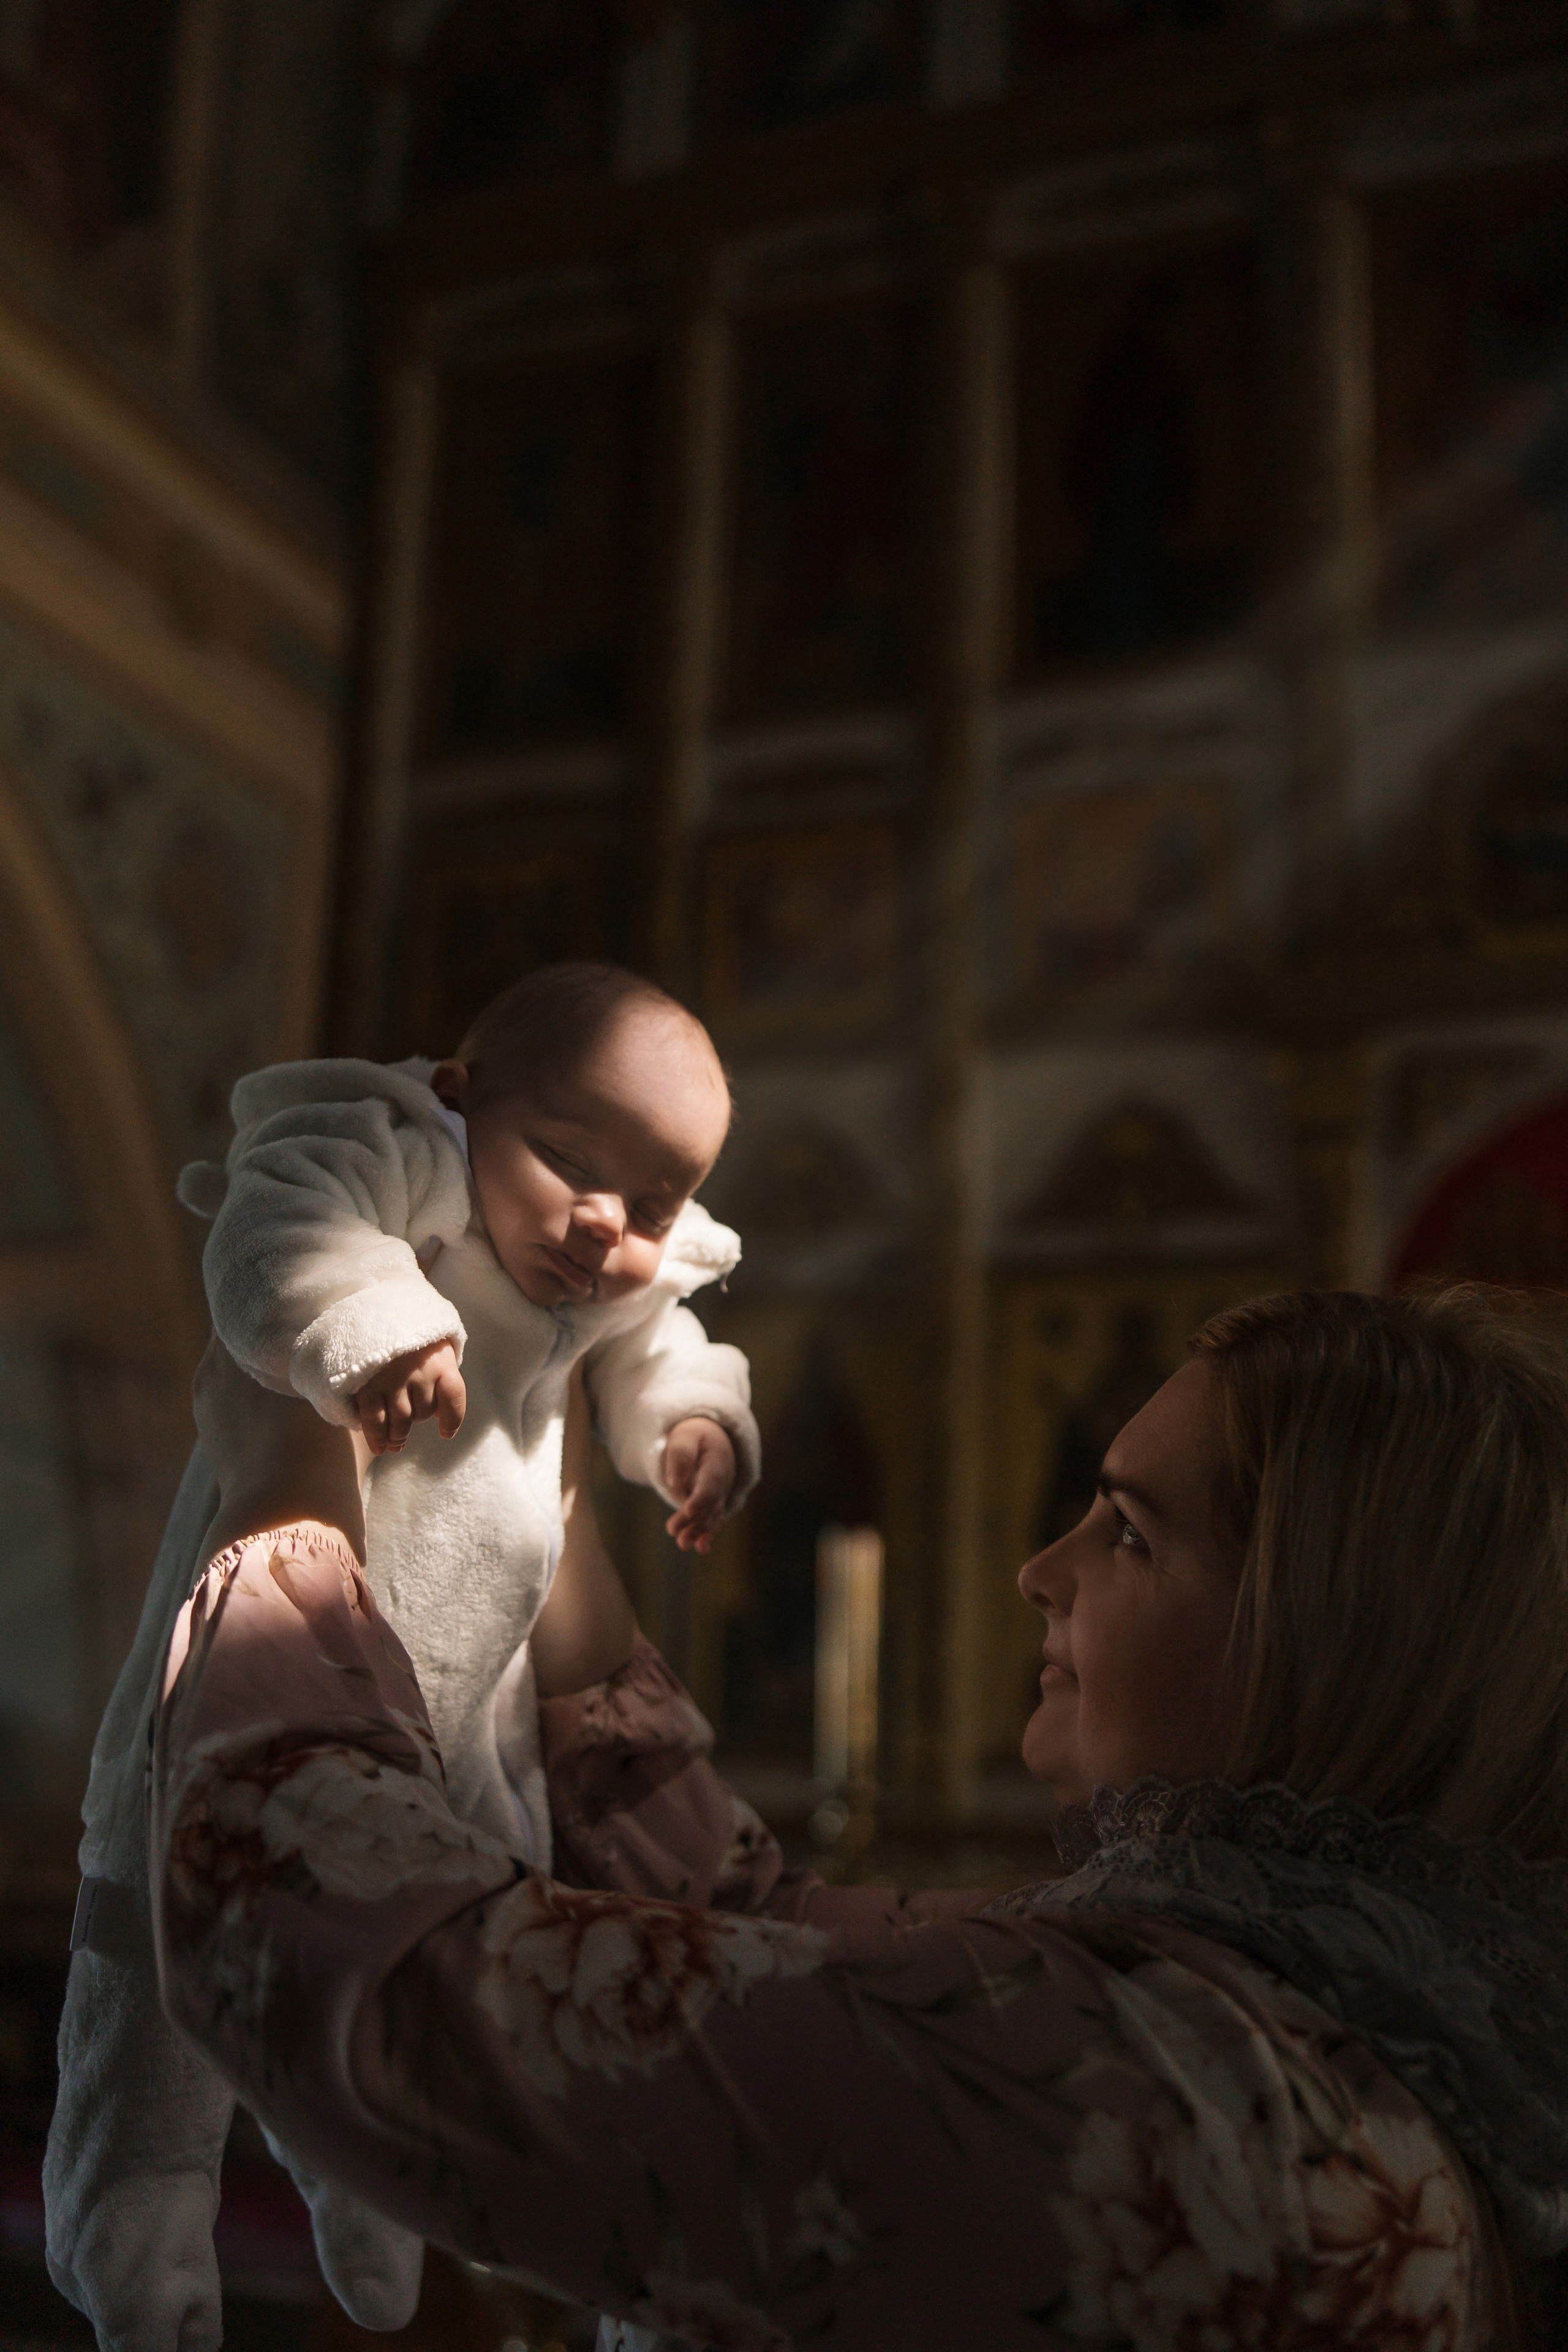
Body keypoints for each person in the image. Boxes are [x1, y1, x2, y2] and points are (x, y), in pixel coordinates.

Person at [149, 1287, 1568, 2350]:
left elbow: (347, 1959)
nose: (1036, 1567)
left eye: (1128, 1532)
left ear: (1324, 1645)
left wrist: (281, 1491)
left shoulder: (1168, 2094)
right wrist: (552, 1523)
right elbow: (748, 1936)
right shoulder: (1314, 2029)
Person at [45, 962, 761, 2348]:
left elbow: (662, 1341)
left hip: (463, 1702)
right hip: (267, 1632)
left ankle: (367, 2175)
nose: (607, 1226)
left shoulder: (603, 1279)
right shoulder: (402, 1160)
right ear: (459, 1094)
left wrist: (690, 1427)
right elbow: (276, 1227)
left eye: (655, 1204)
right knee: (165, 1884)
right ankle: (129, 2191)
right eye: (570, 1163)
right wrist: (369, 1330)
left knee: (419, 1944)